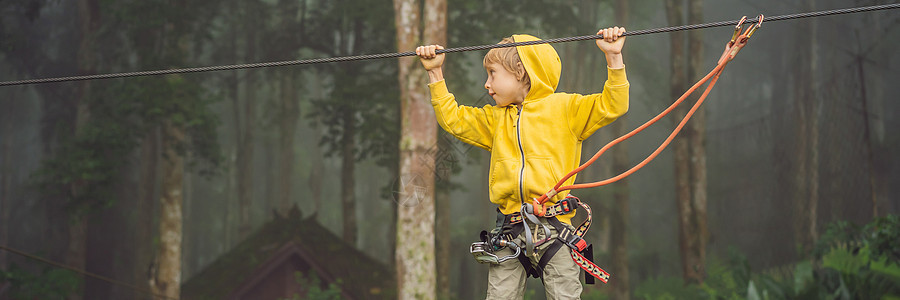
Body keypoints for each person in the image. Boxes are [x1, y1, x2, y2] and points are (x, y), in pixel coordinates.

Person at [416, 26, 628, 299]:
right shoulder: (496, 120)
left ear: (522, 74)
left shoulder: (566, 109)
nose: (486, 84)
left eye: (493, 74)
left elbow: (615, 104)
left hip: (556, 230)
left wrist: (613, 56)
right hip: (509, 230)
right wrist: (435, 72)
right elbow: (454, 119)